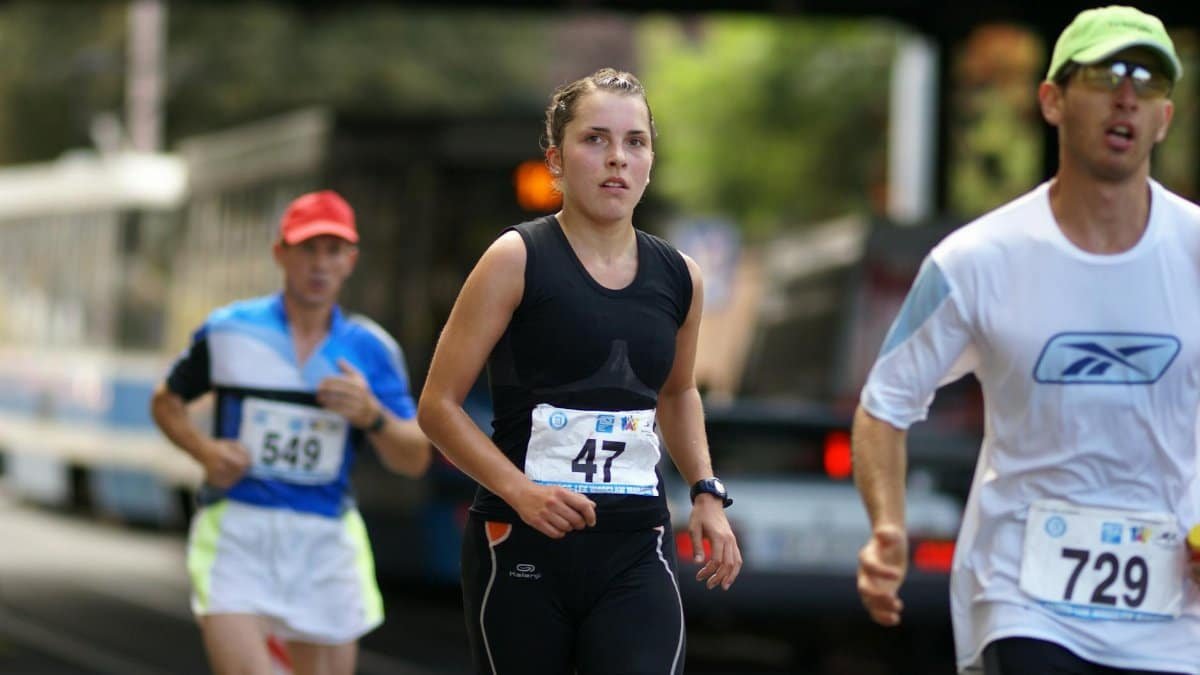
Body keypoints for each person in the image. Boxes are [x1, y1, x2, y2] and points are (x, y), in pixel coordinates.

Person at [853, 5, 1200, 674]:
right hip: (1023, 593)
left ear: (1165, 117)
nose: (1126, 95)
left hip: (1174, 604)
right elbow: (884, 403)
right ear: (1052, 99)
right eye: (1103, 74)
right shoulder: (975, 261)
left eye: (1149, 80)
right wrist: (887, 527)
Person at [417, 68, 742, 675]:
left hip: (635, 548)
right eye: (595, 139)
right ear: (557, 162)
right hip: (521, 547)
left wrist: (705, 491)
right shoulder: (516, 259)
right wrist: (520, 492)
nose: (617, 158)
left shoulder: (681, 277)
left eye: (635, 142)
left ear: (650, 160)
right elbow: (437, 407)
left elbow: (677, 392)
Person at [150, 189, 431, 675]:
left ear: (351, 261)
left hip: (324, 537)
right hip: (238, 527)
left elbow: (415, 459)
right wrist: (204, 450)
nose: (319, 264)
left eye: (332, 250)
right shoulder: (230, 330)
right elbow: (166, 401)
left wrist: (372, 416)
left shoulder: (370, 350)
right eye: (307, 249)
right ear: (281, 254)